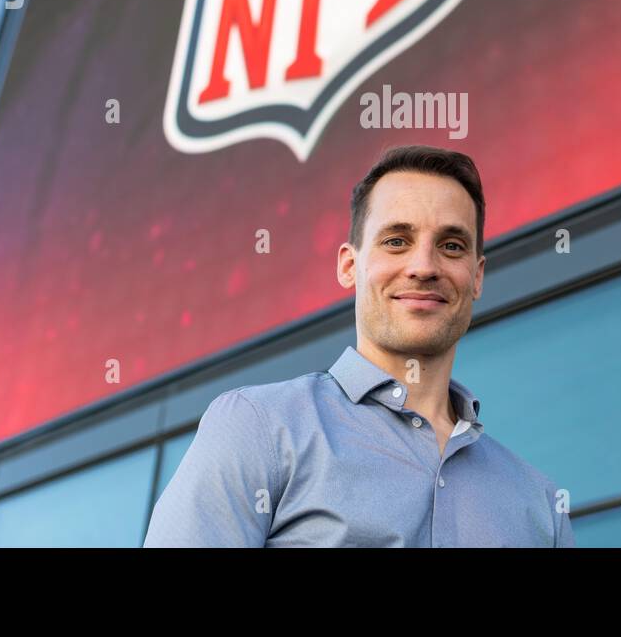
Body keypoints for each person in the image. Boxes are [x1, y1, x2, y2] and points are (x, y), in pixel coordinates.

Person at [144, 144, 575, 546]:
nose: (424, 266)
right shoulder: (258, 430)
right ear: (350, 266)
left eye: (451, 245)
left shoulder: (540, 506)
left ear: (477, 276)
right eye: (396, 241)